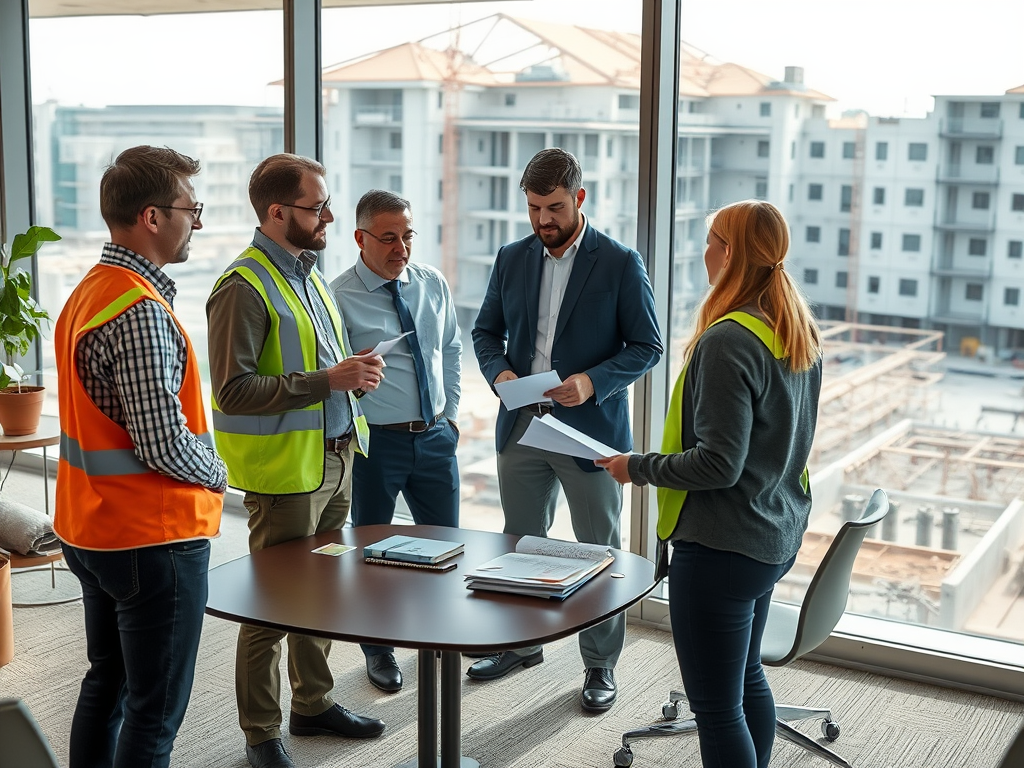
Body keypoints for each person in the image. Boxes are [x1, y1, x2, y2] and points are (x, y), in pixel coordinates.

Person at [596, 199, 823, 768]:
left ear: (731, 254)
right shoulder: (792, 329)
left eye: (711, 241)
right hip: (770, 533)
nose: (704, 253)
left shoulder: (728, 341)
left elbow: (718, 464)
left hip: (723, 544)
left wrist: (637, 467)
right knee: (745, 680)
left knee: (718, 710)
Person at [206, 153, 386, 768]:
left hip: (334, 463)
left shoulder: (307, 275)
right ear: (277, 212)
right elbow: (233, 391)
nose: (330, 216)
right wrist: (326, 380)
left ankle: (313, 702)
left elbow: (317, 370)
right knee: (273, 606)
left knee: (324, 589)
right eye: (317, 207)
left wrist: (352, 377)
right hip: (287, 477)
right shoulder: (243, 286)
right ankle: (261, 732)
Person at [471, 147, 663, 712]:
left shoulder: (621, 262)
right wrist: (500, 372)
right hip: (522, 426)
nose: (542, 221)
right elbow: (484, 333)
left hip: (591, 436)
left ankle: (600, 665)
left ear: (579, 198)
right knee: (520, 542)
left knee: (598, 551)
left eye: (553, 207)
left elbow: (647, 347)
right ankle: (520, 644)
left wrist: (591, 381)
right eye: (533, 208)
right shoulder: (512, 257)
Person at [53, 145, 226, 768]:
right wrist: (219, 475)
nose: (198, 222)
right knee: (153, 714)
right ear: (152, 217)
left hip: (93, 529)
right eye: (191, 208)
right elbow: (163, 444)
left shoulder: (88, 293)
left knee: (107, 685)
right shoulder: (140, 312)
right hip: (151, 538)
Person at [330, 189, 462, 694]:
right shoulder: (337, 295)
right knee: (375, 553)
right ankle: (378, 649)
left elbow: (449, 347)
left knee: (444, 546)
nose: (401, 248)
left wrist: (448, 416)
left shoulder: (431, 283)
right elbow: (332, 377)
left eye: (407, 236)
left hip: (433, 439)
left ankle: (436, 634)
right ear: (360, 238)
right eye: (388, 238)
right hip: (374, 445)